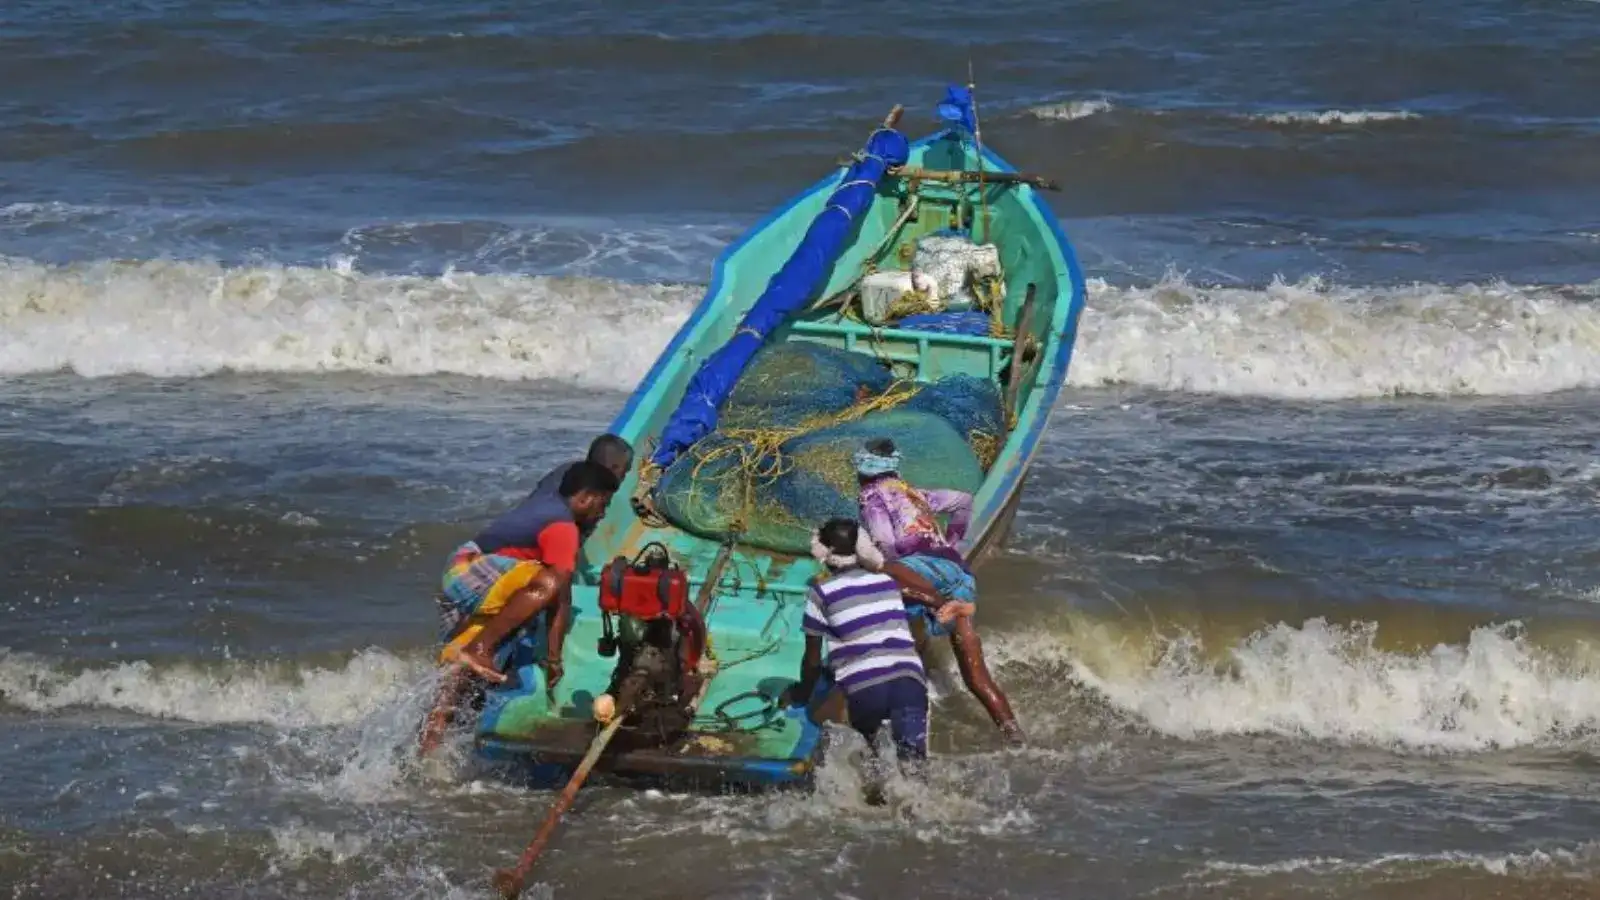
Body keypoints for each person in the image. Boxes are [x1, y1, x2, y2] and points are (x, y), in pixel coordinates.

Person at [416, 460, 619, 756]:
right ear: (585, 497)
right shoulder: (563, 527)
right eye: (603, 503)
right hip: (471, 572)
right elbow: (559, 592)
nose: (603, 513)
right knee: (549, 582)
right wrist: (554, 660)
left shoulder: (549, 502)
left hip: (466, 572)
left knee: (461, 665)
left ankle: (429, 745)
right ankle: (482, 649)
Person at [854, 437, 1025, 746]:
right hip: (955, 571)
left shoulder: (871, 496)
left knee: (882, 573)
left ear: (863, 471)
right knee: (975, 672)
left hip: (920, 574)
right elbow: (963, 501)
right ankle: (1013, 733)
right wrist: (952, 543)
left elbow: (887, 547)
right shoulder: (913, 493)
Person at [788, 518, 961, 798]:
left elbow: (811, 661)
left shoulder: (820, 594)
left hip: (865, 689)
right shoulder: (887, 582)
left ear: (822, 553)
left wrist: (801, 695)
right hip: (910, 683)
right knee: (916, 777)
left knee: (873, 768)